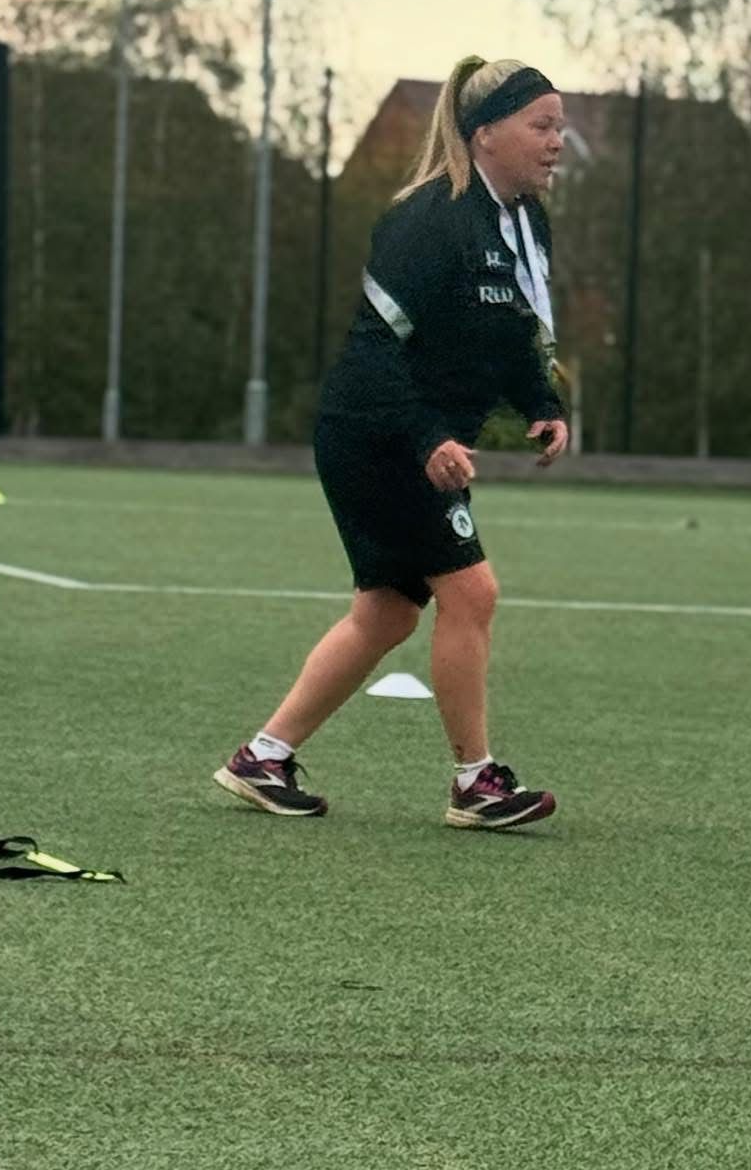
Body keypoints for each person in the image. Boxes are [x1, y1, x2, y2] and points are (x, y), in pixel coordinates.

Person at [214, 56, 571, 830]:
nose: (557, 142)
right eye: (541, 125)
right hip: (376, 433)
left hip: (411, 439)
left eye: (560, 126)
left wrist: (543, 401)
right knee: (472, 593)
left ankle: (262, 758)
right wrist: (426, 436)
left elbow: (517, 334)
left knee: (386, 615)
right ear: (484, 134)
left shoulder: (525, 222)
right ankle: (475, 784)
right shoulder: (426, 219)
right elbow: (375, 350)